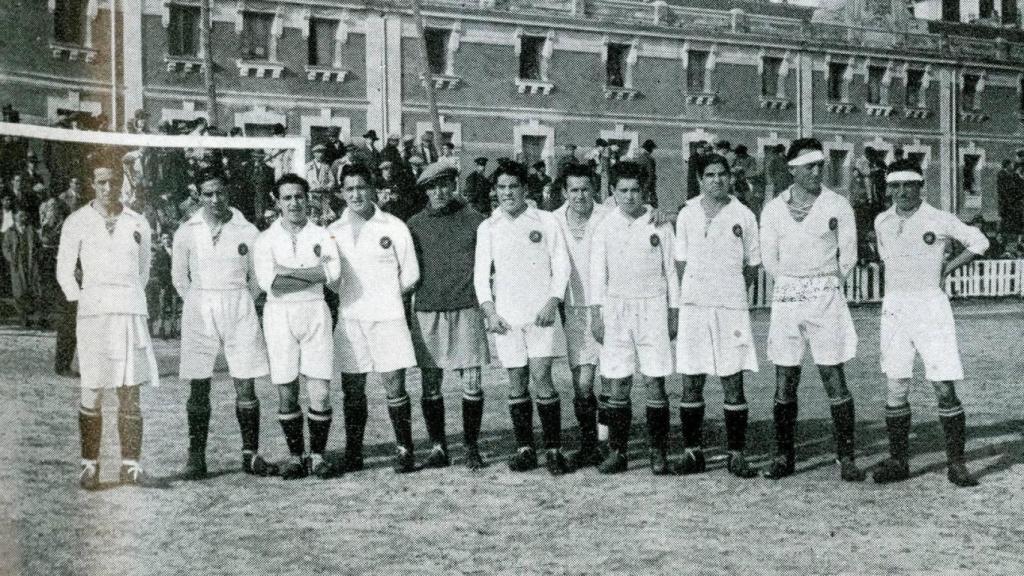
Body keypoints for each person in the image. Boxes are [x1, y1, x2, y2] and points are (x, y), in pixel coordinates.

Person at [872, 160, 988, 487]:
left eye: (909, 184)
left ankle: (957, 464)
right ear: (889, 188)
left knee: (943, 385)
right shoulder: (882, 221)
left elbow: (980, 242)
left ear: (920, 185)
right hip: (895, 307)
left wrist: (948, 267)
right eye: (895, 186)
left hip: (929, 306)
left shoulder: (938, 218)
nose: (902, 192)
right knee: (896, 385)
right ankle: (898, 461)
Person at [759, 138, 865, 482]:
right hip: (789, 296)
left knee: (833, 376)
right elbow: (769, 259)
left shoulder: (838, 204)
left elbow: (848, 255)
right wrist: (792, 282)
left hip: (825, 296)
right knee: (785, 378)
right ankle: (783, 456)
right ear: (793, 169)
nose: (817, 172)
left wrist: (827, 281)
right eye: (809, 166)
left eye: (820, 165)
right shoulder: (774, 209)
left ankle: (846, 457)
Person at [57, 166, 160, 489]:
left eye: (113, 181)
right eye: (101, 181)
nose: (107, 187)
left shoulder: (138, 222)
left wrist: (127, 295)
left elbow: (143, 271)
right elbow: (64, 270)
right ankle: (90, 466)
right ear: (92, 184)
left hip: (128, 311)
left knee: (130, 390)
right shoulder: (77, 221)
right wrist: (84, 300)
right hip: (94, 315)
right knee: (93, 388)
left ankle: (130, 465)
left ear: (121, 183)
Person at [172, 169, 277, 480]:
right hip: (200, 306)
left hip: (238, 303)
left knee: (245, 380)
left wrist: (240, 297)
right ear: (199, 195)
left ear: (228, 192)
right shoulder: (186, 231)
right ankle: (196, 457)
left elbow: (257, 280)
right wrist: (197, 300)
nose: (215, 200)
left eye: (220, 193)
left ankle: (250, 454)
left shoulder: (248, 231)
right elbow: (179, 278)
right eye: (208, 194)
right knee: (199, 382)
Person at [473, 160, 572, 475]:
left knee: (542, 377)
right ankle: (525, 448)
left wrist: (552, 301)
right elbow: (480, 275)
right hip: (507, 318)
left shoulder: (544, 221)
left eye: (512, 186)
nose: (506, 193)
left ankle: (554, 449)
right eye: (501, 187)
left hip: (541, 315)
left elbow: (562, 264)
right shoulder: (488, 227)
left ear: (525, 189)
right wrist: (489, 309)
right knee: (516, 382)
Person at [328, 164, 421, 474]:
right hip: (351, 318)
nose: (356, 194)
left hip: (388, 318)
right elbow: (330, 278)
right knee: (353, 387)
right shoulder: (333, 232)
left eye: (362, 187)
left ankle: (405, 450)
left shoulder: (394, 226)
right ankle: (354, 453)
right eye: (350, 189)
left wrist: (385, 298)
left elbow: (410, 274)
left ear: (373, 190)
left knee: (394, 385)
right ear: (342, 193)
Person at [673, 154, 761, 478]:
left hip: (731, 307)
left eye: (722, 174)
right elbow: (680, 261)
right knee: (691, 380)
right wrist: (698, 290)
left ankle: (736, 454)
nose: (717, 180)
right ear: (700, 179)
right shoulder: (687, 214)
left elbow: (752, 264)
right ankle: (692, 452)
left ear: (730, 178)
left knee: (732, 381)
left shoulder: (745, 215)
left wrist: (731, 290)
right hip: (695, 306)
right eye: (710, 175)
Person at [589, 161, 679, 474]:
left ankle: (658, 452)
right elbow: (597, 275)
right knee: (618, 383)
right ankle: (618, 452)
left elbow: (671, 272)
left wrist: (673, 312)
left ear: (644, 191)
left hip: (653, 307)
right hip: (616, 309)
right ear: (612, 193)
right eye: (623, 191)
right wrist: (596, 314)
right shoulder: (603, 226)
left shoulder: (660, 225)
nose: (630, 196)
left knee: (655, 381)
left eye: (635, 190)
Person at [253, 174, 341, 480]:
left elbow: (332, 275)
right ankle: (295, 457)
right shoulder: (265, 240)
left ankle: (317, 456)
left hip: (315, 310)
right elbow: (270, 283)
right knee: (286, 389)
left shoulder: (323, 234)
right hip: (279, 315)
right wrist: (311, 272)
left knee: (320, 390)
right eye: (287, 197)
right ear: (277, 202)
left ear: (308, 198)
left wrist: (289, 271)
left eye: (299, 196)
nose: (294, 203)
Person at [407, 162, 489, 469]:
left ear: (453, 185)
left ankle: (471, 446)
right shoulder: (414, 224)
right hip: (428, 308)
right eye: (431, 187)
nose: (438, 192)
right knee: (431, 382)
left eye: (444, 184)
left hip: (466, 306)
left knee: (472, 380)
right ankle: (438, 446)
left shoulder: (477, 221)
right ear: (425, 191)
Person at [551, 164, 612, 469]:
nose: (579, 195)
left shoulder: (608, 216)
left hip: (610, 307)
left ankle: (609, 443)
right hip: (574, 310)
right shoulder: (552, 221)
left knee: (613, 379)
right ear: (564, 192)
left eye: (585, 189)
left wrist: (658, 212)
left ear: (594, 189)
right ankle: (590, 443)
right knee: (584, 383)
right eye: (573, 189)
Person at [2, 209, 39, 327]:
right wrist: (11, 258)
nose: (24, 218)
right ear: (15, 217)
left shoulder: (31, 230)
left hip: (31, 263)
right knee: (18, 292)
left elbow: (38, 246)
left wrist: (37, 257)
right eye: (21, 215)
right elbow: (5, 248)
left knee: (33, 289)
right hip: (17, 265)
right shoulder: (10, 231)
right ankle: (22, 318)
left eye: (25, 215)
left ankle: (34, 317)